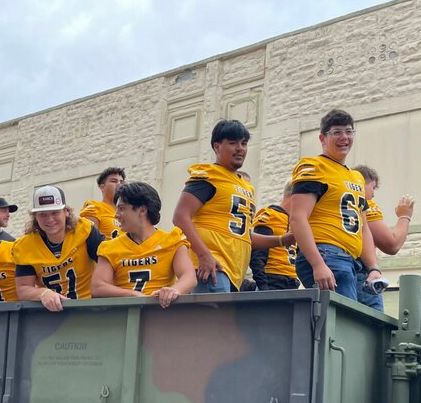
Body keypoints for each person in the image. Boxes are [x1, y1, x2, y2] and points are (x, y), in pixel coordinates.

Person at [173, 120, 291, 293]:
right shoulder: (209, 176)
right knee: (214, 320)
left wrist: (282, 240)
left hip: (234, 273)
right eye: (233, 142)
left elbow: (243, 234)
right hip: (212, 267)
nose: (240, 148)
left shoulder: (246, 185)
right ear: (217, 146)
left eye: (244, 143)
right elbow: (180, 216)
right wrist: (204, 254)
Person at [289, 109, 383, 303]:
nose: (344, 137)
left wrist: (373, 267)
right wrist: (318, 264)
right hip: (327, 253)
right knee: (342, 326)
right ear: (323, 138)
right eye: (337, 132)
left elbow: (363, 228)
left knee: (358, 324)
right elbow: (298, 217)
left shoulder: (356, 177)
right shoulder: (313, 166)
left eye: (349, 132)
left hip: (352, 261)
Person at [92, 182, 196, 308]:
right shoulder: (109, 247)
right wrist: (133, 295)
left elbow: (189, 276)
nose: (116, 215)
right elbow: (97, 287)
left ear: (142, 210)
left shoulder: (173, 240)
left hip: (159, 314)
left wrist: (175, 290)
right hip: (123, 317)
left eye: (122, 208)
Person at [13, 185, 104, 312]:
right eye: (43, 214)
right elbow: (23, 288)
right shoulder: (25, 246)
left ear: (66, 211)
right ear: (35, 216)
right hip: (53, 314)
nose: (50, 219)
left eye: (55, 212)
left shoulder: (85, 231)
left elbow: (110, 264)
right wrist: (43, 293)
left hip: (90, 308)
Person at [352, 165, 416, 310]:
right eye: (373, 188)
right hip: (360, 273)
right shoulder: (364, 203)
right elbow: (392, 244)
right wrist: (405, 216)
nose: (374, 194)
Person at [250, 180, 300, 290]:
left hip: (292, 283)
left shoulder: (298, 222)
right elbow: (257, 255)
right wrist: (264, 288)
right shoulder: (270, 215)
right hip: (272, 280)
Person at [81, 167, 125, 239]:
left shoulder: (128, 211)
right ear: (102, 187)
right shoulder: (94, 207)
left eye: (122, 182)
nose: (119, 184)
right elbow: (90, 240)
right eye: (114, 181)